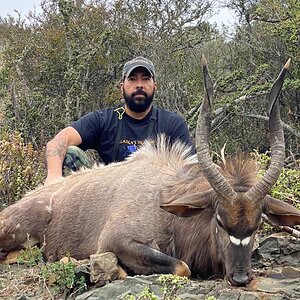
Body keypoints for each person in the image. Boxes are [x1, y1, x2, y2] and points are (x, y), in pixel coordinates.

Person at [44, 56, 193, 185]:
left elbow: (190, 170)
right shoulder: (103, 119)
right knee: (69, 153)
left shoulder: (173, 123)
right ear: (122, 87)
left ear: (155, 86)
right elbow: (58, 141)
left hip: (154, 200)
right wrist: (53, 177)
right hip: (109, 198)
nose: (139, 85)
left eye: (146, 79)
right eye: (132, 79)